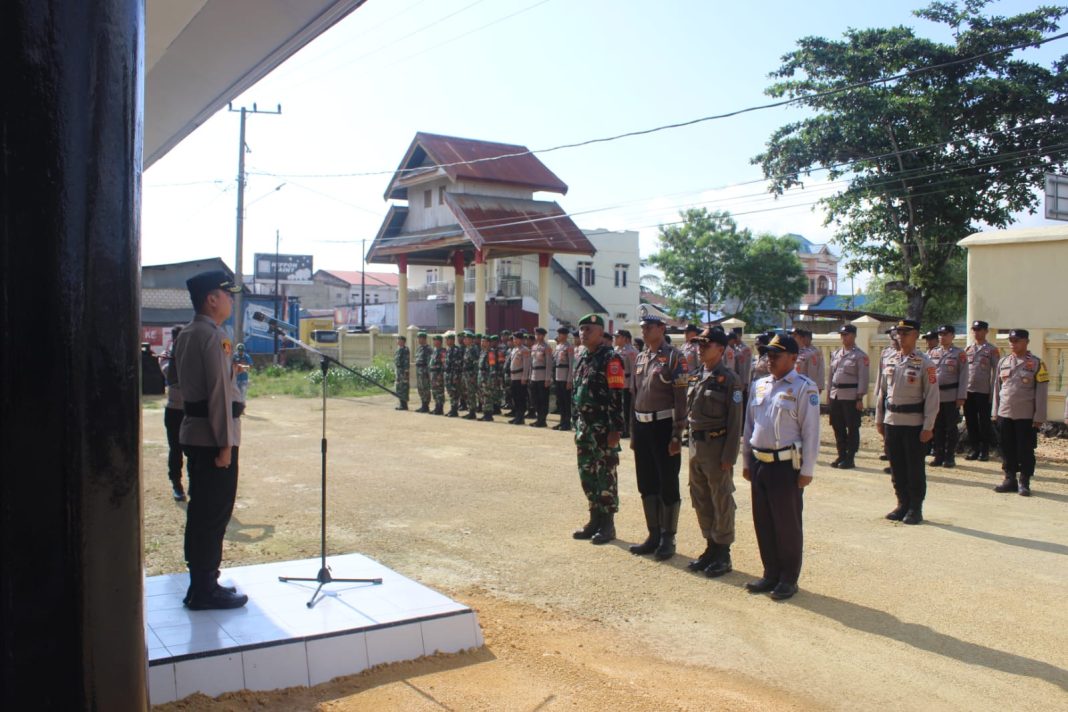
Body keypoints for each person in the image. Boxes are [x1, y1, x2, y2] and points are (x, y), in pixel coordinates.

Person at [174, 269, 248, 610]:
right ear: (211, 299)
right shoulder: (214, 336)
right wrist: (225, 445)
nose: (231, 300)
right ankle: (206, 588)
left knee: (201, 512)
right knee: (214, 514)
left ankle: (199, 583)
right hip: (212, 437)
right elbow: (218, 394)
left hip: (194, 431)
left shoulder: (188, 333)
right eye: (226, 294)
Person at [741, 334, 819, 601]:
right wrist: (746, 460)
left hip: (786, 466)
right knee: (763, 522)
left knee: (787, 524)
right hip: (759, 463)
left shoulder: (803, 387)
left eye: (776, 355)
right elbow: (749, 425)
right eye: (767, 355)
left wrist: (807, 470)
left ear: (793, 358)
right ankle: (770, 572)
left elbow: (811, 432)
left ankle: (788, 578)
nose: (769, 360)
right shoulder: (759, 385)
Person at [685, 327, 744, 578]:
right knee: (700, 496)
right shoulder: (696, 375)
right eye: (699, 344)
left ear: (720, 349)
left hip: (717, 447)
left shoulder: (730, 379)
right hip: (696, 446)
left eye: (706, 344)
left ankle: (723, 552)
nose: (700, 348)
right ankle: (710, 545)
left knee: (721, 498)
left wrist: (729, 456)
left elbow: (735, 422)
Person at [629, 315, 688, 560]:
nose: (644, 331)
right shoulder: (641, 356)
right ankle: (653, 534)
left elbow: (681, 397)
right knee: (646, 482)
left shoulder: (675, 357)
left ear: (662, 329)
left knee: (667, 482)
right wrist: (633, 431)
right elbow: (635, 395)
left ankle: (667, 537)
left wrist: (677, 433)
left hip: (663, 426)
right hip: (642, 426)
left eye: (648, 327)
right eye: (642, 327)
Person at [875, 320, 940, 525]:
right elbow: (882, 393)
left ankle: (915, 508)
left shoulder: (925, 363)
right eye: (899, 333)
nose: (901, 337)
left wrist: (928, 426)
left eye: (905, 333)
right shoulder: (890, 360)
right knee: (897, 466)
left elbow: (932, 397)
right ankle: (902, 503)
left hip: (914, 424)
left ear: (916, 335)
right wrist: (879, 419)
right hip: (892, 421)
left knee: (914, 468)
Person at [570, 314, 626, 545]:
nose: (583, 333)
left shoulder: (611, 359)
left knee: (605, 474)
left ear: (601, 333)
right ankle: (594, 519)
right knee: (587, 473)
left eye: (588, 329)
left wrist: (615, 429)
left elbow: (617, 395)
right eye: (581, 329)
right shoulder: (583, 358)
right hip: (585, 427)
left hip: (604, 428)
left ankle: (607, 524)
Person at [993, 329, 1049, 496]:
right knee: (1006, 447)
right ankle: (1010, 478)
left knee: (1025, 449)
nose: (1012, 343)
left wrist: (1039, 416)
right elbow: (996, 389)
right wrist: (994, 412)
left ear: (1026, 342)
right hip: (1005, 413)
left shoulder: (1037, 363)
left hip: (1025, 415)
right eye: (1011, 340)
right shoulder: (1003, 362)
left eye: (1016, 340)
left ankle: (1024, 481)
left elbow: (1042, 391)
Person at [827, 324, 869, 469]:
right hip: (836, 395)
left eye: (846, 335)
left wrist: (859, 398)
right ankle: (841, 454)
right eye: (842, 335)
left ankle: (850, 457)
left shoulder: (860, 356)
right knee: (837, 426)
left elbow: (863, 378)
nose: (843, 337)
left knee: (852, 427)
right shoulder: (836, 353)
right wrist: (828, 396)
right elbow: (831, 376)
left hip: (851, 396)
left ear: (854, 335)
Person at [928, 324, 968, 467]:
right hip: (936, 395)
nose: (942, 337)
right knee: (937, 427)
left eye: (945, 334)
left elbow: (964, 376)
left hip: (951, 395)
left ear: (952, 336)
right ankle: (939, 455)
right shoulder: (933, 353)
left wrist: (961, 396)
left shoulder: (959, 354)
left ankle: (950, 456)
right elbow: (928, 373)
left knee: (951, 427)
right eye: (940, 334)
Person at [964, 320, 999, 461]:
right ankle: (974, 448)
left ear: (986, 331)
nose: (976, 332)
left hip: (984, 391)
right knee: (970, 421)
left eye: (979, 330)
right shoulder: (968, 349)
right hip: (968, 390)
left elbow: (996, 371)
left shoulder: (991, 350)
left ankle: (984, 450)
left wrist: (993, 391)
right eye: (974, 330)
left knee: (984, 422)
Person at [159, 326, 188, 501]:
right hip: (174, 410)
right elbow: (172, 375)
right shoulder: (165, 356)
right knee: (175, 449)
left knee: (194, 450)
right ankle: (176, 484)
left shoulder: (191, 356)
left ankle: (195, 486)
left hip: (191, 410)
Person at [614, 329, 639, 438]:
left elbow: (634, 369)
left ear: (624, 338)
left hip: (627, 382)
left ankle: (627, 430)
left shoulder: (631, 351)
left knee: (627, 407)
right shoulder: (616, 350)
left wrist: (633, 385)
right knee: (617, 406)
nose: (615, 339)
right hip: (616, 382)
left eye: (618, 337)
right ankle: (619, 427)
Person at [529, 327, 553, 427]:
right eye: (536, 334)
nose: (537, 336)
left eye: (539, 334)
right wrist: (530, 376)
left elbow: (549, 364)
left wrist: (548, 378)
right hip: (534, 376)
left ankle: (542, 420)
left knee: (543, 399)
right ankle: (538, 417)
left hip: (542, 376)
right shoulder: (534, 347)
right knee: (534, 399)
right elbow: (531, 363)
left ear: (543, 336)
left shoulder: (546, 347)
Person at [552, 326, 575, 431]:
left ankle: (567, 423)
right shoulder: (558, 346)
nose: (558, 336)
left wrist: (569, 380)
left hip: (565, 377)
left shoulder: (569, 347)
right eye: (558, 333)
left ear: (565, 335)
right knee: (560, 401)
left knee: (566, 401)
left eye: (560, 334)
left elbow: (571, 365)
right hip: (558, 376)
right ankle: (561, 421)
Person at [791, 328, 824, 393]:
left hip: (804, 389)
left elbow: (812, 375)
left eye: (795, 336)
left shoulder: (810, 354)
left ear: (801, 338)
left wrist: (811, 390)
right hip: (793, 387)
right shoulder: (793, 352)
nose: (792, 338)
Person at [508, 332, 531, 424]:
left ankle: (521, 417)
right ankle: (517, 415)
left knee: (521, 398)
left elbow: (526, 365)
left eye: (516, 339)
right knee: (515, 397)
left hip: (520, 377)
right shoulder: (514, 350)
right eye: (513, 339)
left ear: (521, 340)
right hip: (514, 377)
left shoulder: (524, 350)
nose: (514, 340)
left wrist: (524, 377)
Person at [477, 334, 496, 422]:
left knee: (487, 395)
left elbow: (492, 366)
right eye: (481, 341)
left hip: (487, 377)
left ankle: (489, 415)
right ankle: (485, 413)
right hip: (481, 376)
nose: (482, 343)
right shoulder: (482, 352)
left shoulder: (491, 352)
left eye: (484, 341)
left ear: (488, 343)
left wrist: (490, 379)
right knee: (482, 395)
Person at [444, 331, 464, 417]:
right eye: (446, 340)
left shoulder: (456, 350)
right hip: (448, 375)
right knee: (450, 392)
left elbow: (457, 365)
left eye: (448, 340)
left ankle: (454, 410)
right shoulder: (448, 350)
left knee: (455, 393)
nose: (447, 342)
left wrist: (455, 377)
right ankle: (452, 409)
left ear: (452, 340)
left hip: (454, 375)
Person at [462, 330, 480, 420]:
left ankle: (472, 412)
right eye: (464, 339)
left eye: (466, 339)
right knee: (468, 393)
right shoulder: (467, 348)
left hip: (471, 374)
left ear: (470, 340)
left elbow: (476, 363)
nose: (464, 340)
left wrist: (474, 376)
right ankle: (470, 410)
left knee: (471, 393)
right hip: (466, 374)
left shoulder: (474, 349)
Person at [414, 331, 433, 413]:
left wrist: (429, 373)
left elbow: (429, 362)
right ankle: (423, 403)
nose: (418, 340)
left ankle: (426, 405)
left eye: (420, 338)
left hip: (424, 371)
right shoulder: (418, 348)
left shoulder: (428, 349)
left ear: (424, 339)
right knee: (420, 388)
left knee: (425, 388)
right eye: (418, 338)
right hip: (418, 370)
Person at [429, 334, 446, 415]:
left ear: (439, 341)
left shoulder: (442, 351)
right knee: (434, 391)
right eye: (434, 340)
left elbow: (444, 363)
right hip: (433, 374)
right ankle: (436, 406)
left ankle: (440, 408)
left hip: (438, 374)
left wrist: (441, 374)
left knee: (439, 391)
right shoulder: (434, 351)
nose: (434, 342)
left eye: (436, 340)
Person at [393, 336, 410, 411]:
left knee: (404, 387)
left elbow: (406, 361)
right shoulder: (398, 350)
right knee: (398, 387)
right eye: (397, 340)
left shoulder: (405, 350)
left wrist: (406, 371)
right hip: (399, 370)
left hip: (403, 371)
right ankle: (401, 404)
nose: (398, 341)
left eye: (399, 340)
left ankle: (404, 405)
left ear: (403, 341)